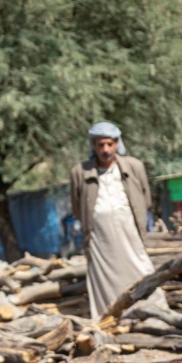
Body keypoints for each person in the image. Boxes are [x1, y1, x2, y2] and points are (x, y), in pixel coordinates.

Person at [70, 122, 167, 321]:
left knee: (140, 268)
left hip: (130, 232)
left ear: (117, 143)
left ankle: (154, 314)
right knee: (104, 279)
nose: (105, 150)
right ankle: (110, 320)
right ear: (93, 146)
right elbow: (77, 206)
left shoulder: (133, 166)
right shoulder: (80, 172)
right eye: (100, 145)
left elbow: (145, 198)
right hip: (99, 238)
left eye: (109, 144)